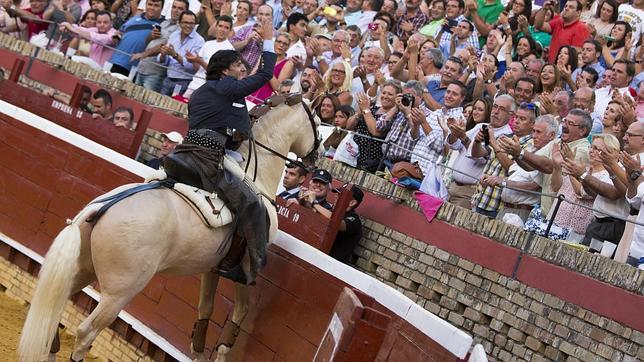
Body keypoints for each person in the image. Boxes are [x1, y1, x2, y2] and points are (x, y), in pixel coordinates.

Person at [169, 18, 275, 284]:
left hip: (185, 151)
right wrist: (270, 40)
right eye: (239, 65)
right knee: (253, 204)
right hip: (209, 156)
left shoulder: (202, 92)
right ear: (225, 70)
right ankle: (232, 263)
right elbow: (264, 76)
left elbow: (212, 124)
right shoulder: (226, 87)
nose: (243, 69)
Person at [133, 0, 187, 93]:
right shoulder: (164, 22)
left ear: (185, 12)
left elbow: (165, 47)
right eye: (174, 7)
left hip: (155, 73)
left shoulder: (181, 30)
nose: (175, 10)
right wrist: (151, 35)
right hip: (142, 67)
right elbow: (148, 42)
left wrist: (143, 54)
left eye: (180, 8)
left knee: (146, 102)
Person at [184, 14, 234, 98]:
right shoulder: (207, 44)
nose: (222, 30)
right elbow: (197, 68)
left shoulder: (229, 49)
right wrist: (193, 61)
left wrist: (199, 61)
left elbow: (217, 73)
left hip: (207, 88)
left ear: (230, 31)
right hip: (194, 84)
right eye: (220, 26)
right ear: (216, 27)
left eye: (226, 28)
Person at [108, 0, 164, 76]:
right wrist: (117, 35)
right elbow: (121, 31)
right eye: (150, 4)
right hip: (114, 60)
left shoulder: (163, 25)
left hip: (133, 68)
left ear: (162, 8)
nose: (152, 8)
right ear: (146, 5)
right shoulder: (135, 17)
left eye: (156, 5)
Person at [158, 10, 205, 96]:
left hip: (183, 82)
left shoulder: (199, 41)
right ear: (179, 23)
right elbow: (163, 61)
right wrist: (163, 54)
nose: (188, 26)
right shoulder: (174, 35)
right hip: (168, 78)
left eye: (191, 23)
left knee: (172, 107)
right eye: (185, 22)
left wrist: (175, 55)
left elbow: (193, 67)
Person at [315, 185, 364, 264]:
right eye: (336, 195)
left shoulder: (354, 219)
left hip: (332, 265)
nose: (335, 197)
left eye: (340, 196)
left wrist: (314, 203)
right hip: (317, 257)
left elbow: (336, 222)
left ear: (352, 202)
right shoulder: (331, 211)